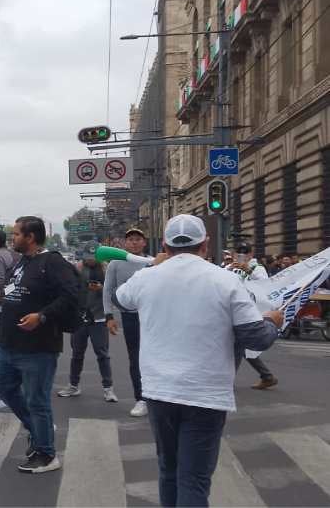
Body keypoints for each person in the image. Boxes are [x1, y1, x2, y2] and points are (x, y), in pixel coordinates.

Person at [116, 214, 283, 507]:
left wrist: (154, 267)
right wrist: (273, 321)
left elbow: (122, 299)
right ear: (205, 245)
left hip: (158, 392)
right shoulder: (226, 280)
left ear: (165, 245)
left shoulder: (146, 278)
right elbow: (257, 338)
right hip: (205, 394)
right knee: (193, 479)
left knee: (168, 471)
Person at [0, 216, 77, 474]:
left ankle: (47, 454)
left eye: (16, 234)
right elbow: (12, 292)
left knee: (37, 401)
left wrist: (42, 316)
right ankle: (38, 429)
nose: (12, 238)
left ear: (30, 237)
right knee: (2, 386)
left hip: (38, 347)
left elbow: (71, 294)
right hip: (8, 344)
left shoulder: (51, 262)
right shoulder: (20, 263)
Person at [103, 227, 151, 417]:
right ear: (125, 243)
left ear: (144, 242)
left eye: (138, 239)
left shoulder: (152, 262)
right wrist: (109, 316)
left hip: (152, 316)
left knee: (155, 356)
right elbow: (107, 290)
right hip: (130, 316)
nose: (134, 242)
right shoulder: (116, 263)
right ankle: (140, 398)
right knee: (135, 359)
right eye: (130, 239)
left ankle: (156, 396)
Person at [58, 254, 116, 402]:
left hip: (99, 318)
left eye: (93, 255)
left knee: (102, 354)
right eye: (88, 255)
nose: (90, 259)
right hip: (81, 318)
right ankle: (73, 385)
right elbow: (70, 290)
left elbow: (114, 293)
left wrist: (101, 288)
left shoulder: (106, 269)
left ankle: (108, 389)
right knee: (77, 354)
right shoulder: (77, 268)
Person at [225, 243, 278, 390]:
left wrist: (249, 271)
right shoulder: (230, 268)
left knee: (238, 344)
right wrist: (228, 270)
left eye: (245, 252)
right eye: (239, 252)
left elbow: (265, 285)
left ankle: (228, 381)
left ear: (251, 254)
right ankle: (266, 376)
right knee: (241, 345)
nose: (242, 255)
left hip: (251, 310)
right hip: (234, 309)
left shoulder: (258, 268)